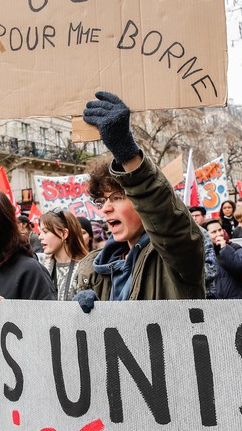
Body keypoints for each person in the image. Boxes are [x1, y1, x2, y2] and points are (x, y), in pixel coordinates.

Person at [74, 92, 204, 309]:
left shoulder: (177, 259)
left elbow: (170, 224)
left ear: (139, 199)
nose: (105, 209)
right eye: (101, 201)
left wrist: (127, 153)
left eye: (116, 198)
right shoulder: (93, 270)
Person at [39, 209, 89, 301]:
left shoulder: (87, 268)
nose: (40, 237)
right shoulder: (41, 266)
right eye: (40, 232)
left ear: (64, 233)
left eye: (45, 231)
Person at [205, 219, 242, 299]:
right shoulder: (204, 254)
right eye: (214, 232)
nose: (219, 234)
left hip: (236, 300)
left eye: (220, 230)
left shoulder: (234, 247)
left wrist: (224, 248)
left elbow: (240, 267)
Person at [189, 205, 219, 299]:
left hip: (204, 294)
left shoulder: (201, 233)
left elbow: (211, 269)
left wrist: (187, 277)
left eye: (197, 215)